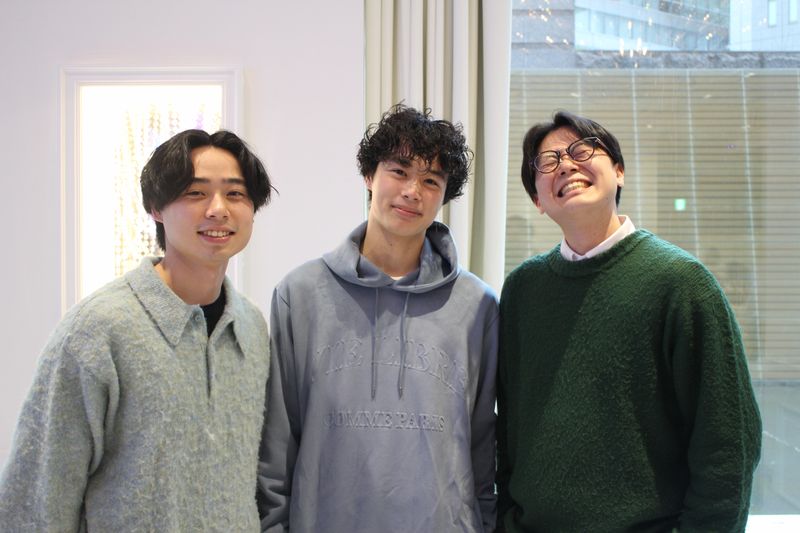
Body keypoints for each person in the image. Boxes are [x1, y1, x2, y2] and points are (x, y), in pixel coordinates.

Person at [496, 111, 762, 532]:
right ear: (538, 201)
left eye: (582, 150)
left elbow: (728, 445)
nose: (566, 165)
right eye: (548, 161)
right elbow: (507, 428)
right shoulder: (522, 290)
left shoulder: (681, 284)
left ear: (618, 171)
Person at [0, 129, 275, 531]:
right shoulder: (97, 330)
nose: (218, 209)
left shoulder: (251, 328)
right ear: (156, 208)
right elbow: (37, 501)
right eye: (196, 193)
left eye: (235, 194)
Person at [257, 104, 498, 532]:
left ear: (445, 195)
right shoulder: (300, 295)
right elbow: (276, 448)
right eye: (399, 171)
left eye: (430, 180)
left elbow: (483, 450)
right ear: (370, 175)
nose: (412, 191)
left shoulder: (477, 306)